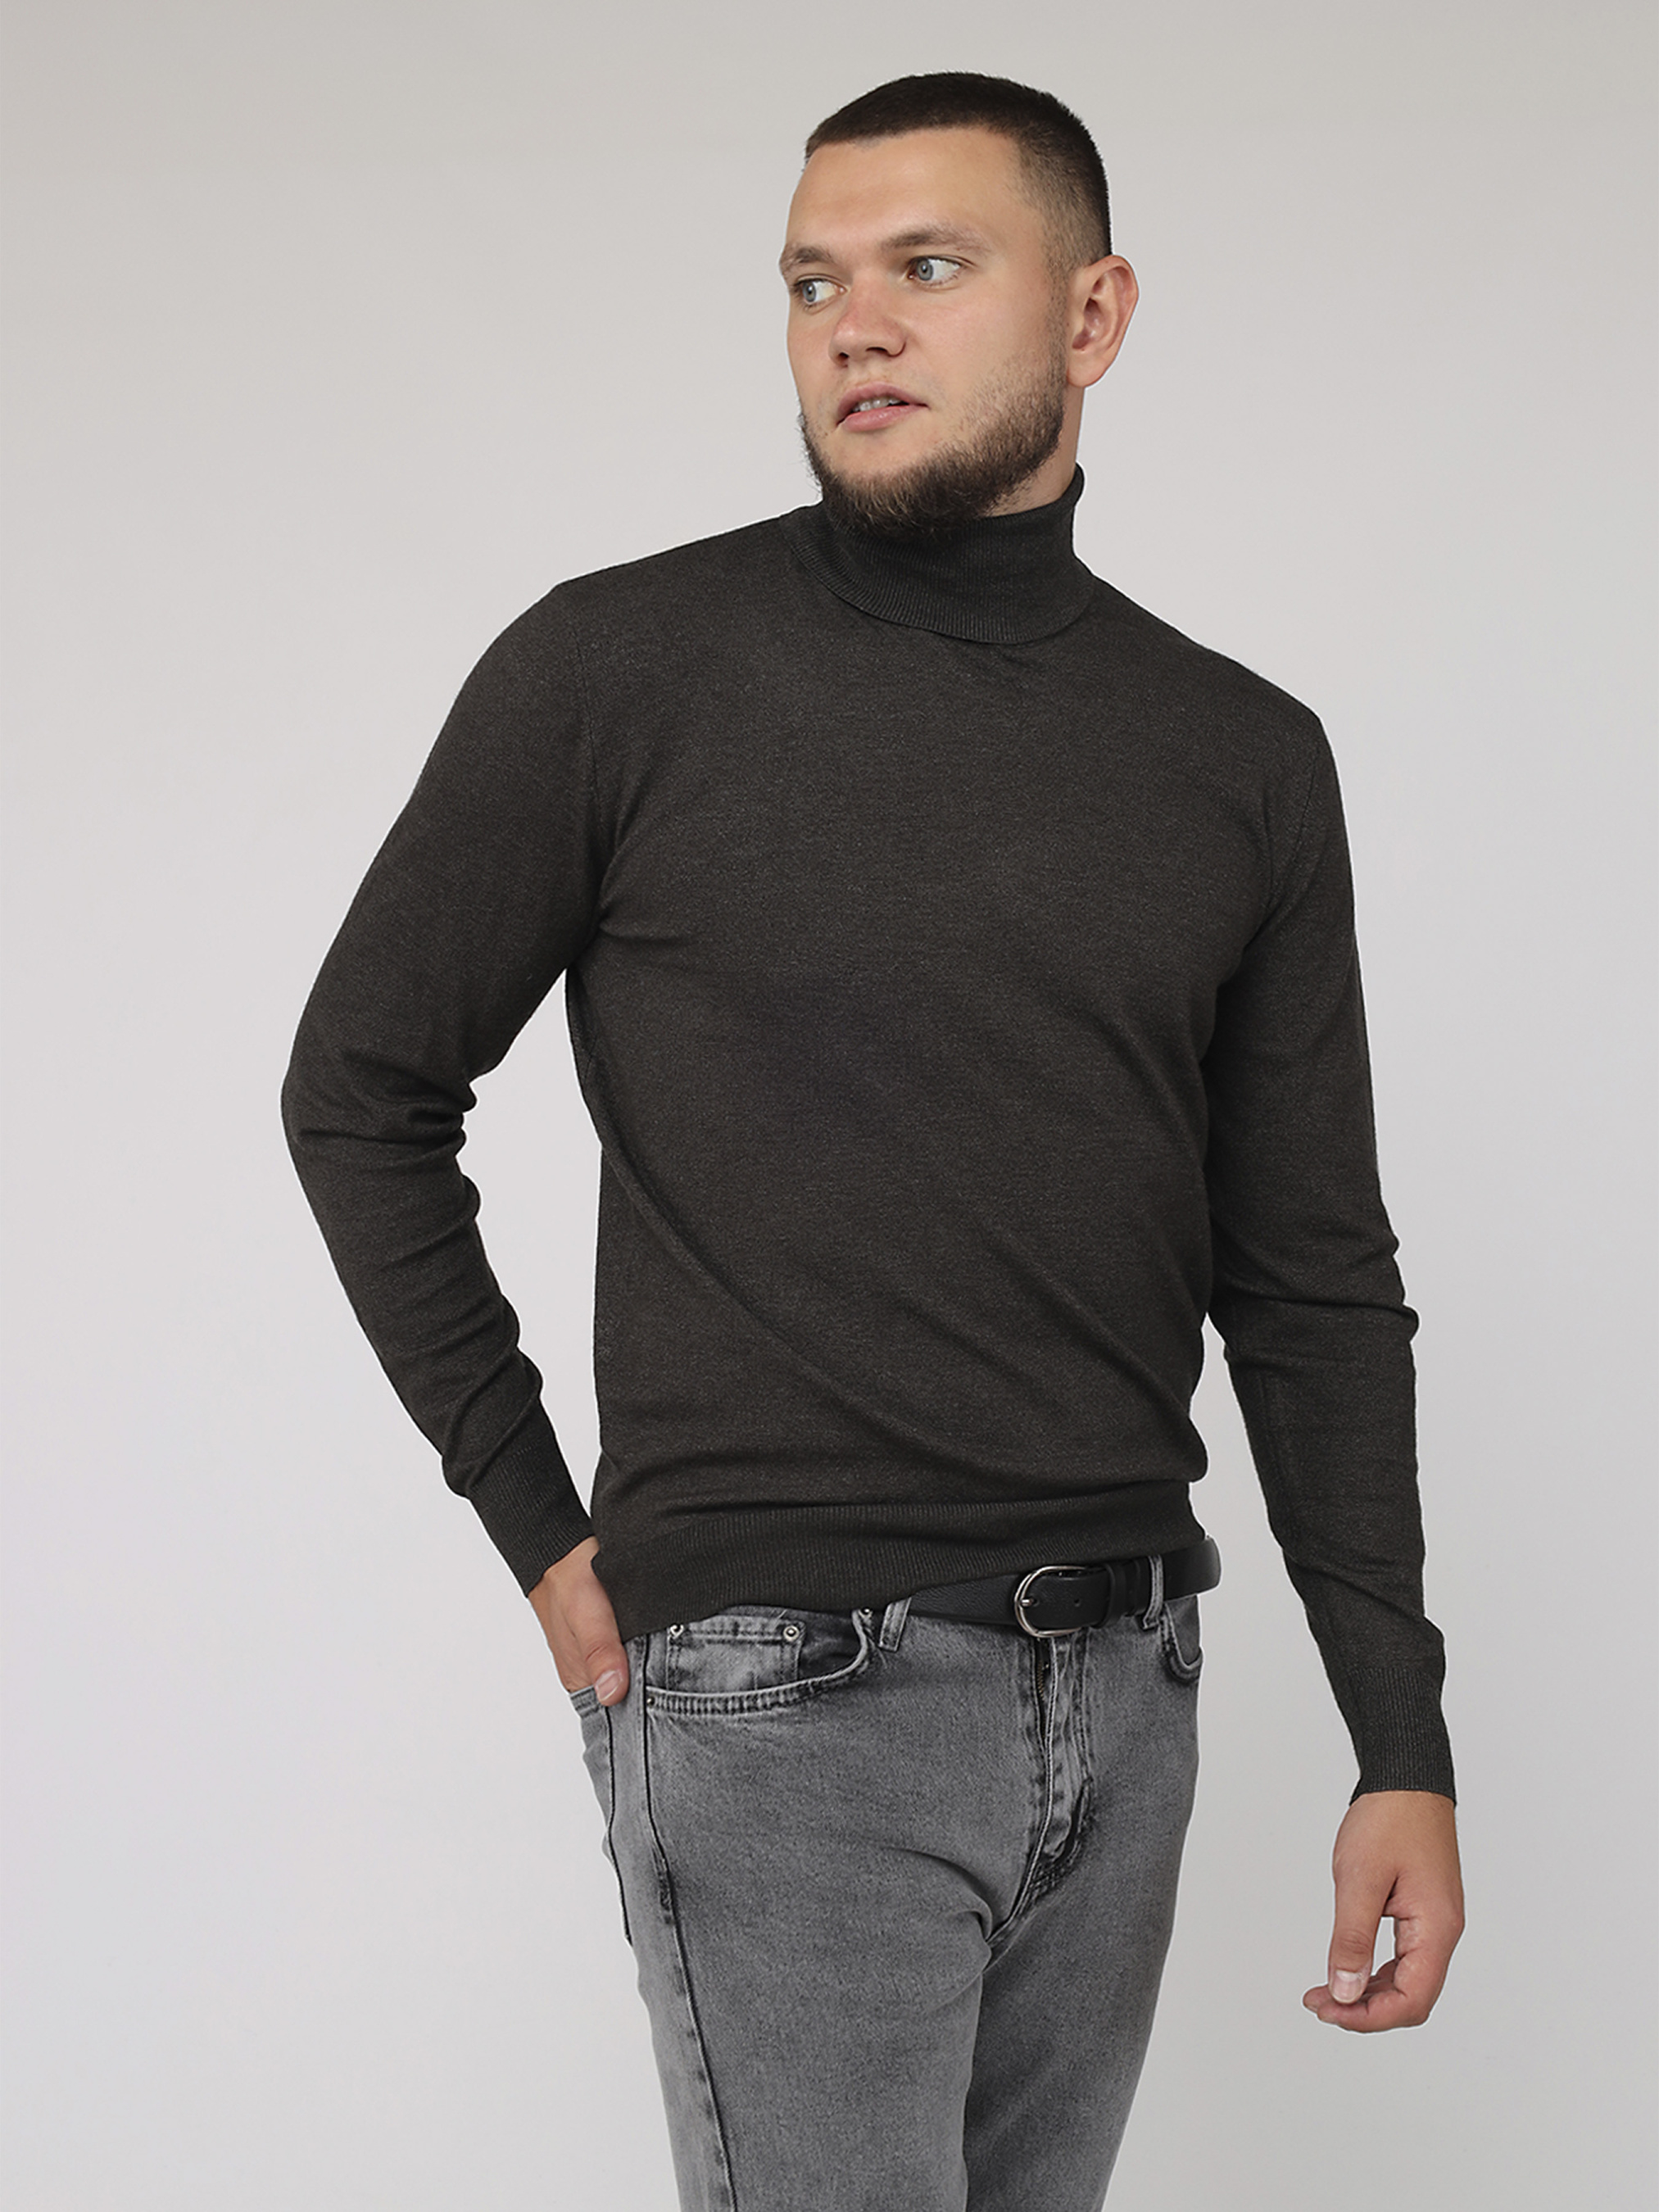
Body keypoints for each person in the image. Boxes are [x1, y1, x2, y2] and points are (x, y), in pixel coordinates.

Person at [283, 70, 1463, 2210]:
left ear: (1093, 314)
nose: (858, 325)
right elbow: (361, 1086)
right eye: (813, 282)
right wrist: (537, 1521)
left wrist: (1399, 1735)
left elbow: (1306, 1271)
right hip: (781, 1698)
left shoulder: (1238, 757)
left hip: (1127, 1686)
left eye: (928, 266)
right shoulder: (622, 671)